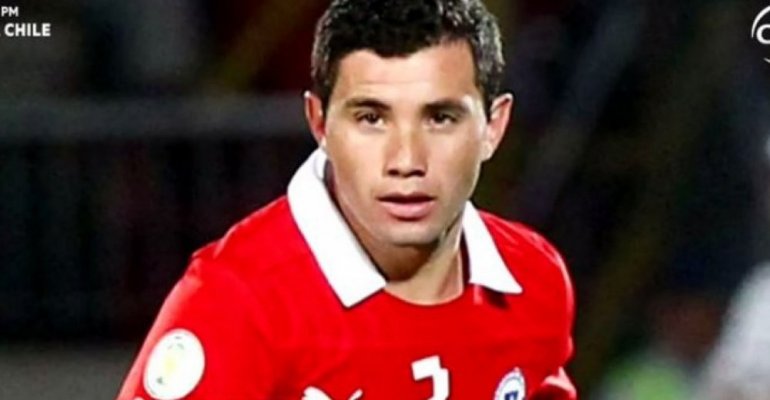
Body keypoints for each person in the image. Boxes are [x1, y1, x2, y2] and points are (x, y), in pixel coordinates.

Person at [117, 0, 576, 399]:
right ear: (319, 123)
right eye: (371, 118)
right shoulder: (237, 301)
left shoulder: (535, 278)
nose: (406, 160)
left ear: (493, 127)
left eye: (440, 118)